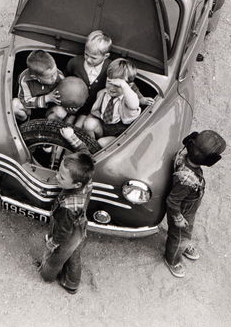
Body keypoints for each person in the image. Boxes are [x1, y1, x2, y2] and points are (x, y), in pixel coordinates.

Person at [39, 127, 94, 294]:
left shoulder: (67, 207)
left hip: (68, 231)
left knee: (57, 257)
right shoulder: (87, 175)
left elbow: (62, 232)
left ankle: (47, 275)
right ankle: (71, 282)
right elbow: (85, 153)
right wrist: (72, 138)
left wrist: (52, 243)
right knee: (74, 254)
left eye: (62, 177)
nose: (56, 176)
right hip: (80, 223)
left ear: (76, 185)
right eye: (58, 172)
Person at [164, 130, 226, 278]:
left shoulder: (183, 155)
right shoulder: (186, 180)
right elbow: (172, 201)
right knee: (178, 236)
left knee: (185, 233)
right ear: (211, 161)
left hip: (188, 207)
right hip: (183, 213)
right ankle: (172, 259)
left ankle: (183, 245)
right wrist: (178, 218)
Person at [83, 58, 141, 148]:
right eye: (109, 82)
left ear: (128, 86)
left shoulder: (127, 100)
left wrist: (124, 85)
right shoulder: (103, 93)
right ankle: (90, 146)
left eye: (118, 85)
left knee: (101, 142)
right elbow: (94, 112)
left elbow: (134, 105)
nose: (112, 88)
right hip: (103, 125)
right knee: (88, 124)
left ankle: (96, 149)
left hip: (118, 134)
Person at [65, 30, 112, 127]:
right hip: (73, 104)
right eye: (86, 54)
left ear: (106, 56)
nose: (88, 59)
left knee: (78, 127)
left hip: (90, 109)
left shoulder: (110, 67)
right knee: (66, 124)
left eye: (94, 57)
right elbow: (65, 80)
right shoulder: (75, 62)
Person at [12, 50, 63, 122]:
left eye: (55, 72)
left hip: (49, 110)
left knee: (61, 112)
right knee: (14, 105)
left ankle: (47, 125)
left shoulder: (60, 77)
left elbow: (64, 96)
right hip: (30, 109)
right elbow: (26, 101)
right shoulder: (25, 79)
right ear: (35, 77)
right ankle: (24, 123)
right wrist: (48, 98)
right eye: (50, 77)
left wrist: (71, 106)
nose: (54, 77)